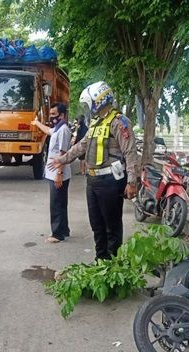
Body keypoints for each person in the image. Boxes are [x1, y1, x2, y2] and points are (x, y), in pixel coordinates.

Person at [48, 81, 138, 261]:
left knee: (111, 226)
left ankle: (112, 266)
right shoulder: (96, 123)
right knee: (96, 225)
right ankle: (100, 261)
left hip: (111, 182)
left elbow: (130, 151)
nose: (87, 107)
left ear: (98, 100)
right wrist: (63, 160)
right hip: (93, 181)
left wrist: (132, 182)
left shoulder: (119, 122)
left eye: (88, 103)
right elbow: (82, 146)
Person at [32, 102, 72, 243]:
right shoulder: (57, 128)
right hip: (54, 173)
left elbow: (63, 153)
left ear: (62, 115)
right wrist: (37, 123)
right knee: (60, 202)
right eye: (50, 114)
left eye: (54, 114)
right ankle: (64, 230)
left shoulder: (64, 131)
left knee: (56, 204)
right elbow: (48, 131)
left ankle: (57, 234)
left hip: (58, 173)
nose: (51, 117)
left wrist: (59, 174)